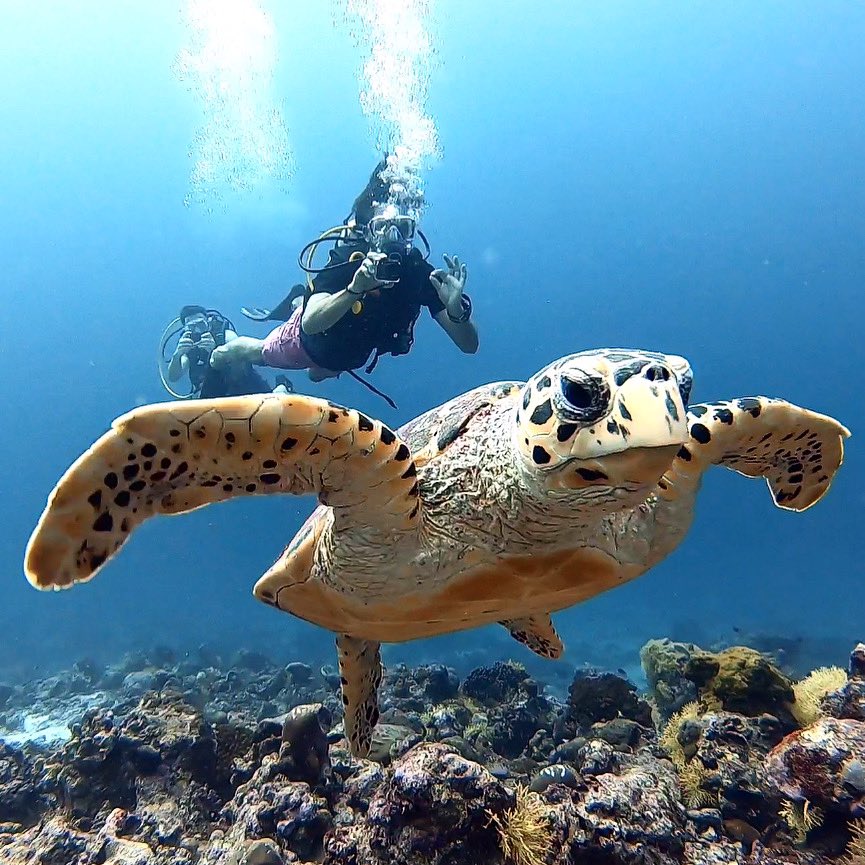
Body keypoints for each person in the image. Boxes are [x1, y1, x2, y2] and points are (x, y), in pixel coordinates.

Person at [210, 157, 479, 394]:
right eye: (384, 227)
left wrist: (456, 311)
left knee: (317, 375)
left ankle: (300, 310)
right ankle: (228, 348)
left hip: (348, 356)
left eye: (404, 228)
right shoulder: (349, 258)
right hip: (307, 345)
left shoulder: (418, 273)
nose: (394, 238)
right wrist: (355, 289)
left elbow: (469, 346)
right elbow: (311, 326)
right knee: (261, 352)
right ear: (370, 229)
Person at [163, 305, 292, 399]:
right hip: (212, 395)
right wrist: (177, 354)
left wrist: (214, 352)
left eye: (200, 325)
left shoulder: (225, 335)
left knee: (275, 397)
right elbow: (174, 377)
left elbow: (242, 367)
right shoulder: (188, 346)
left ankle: (281, 388)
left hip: (244, 388)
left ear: (208, 322)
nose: (197, 330)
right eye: (191, 327)